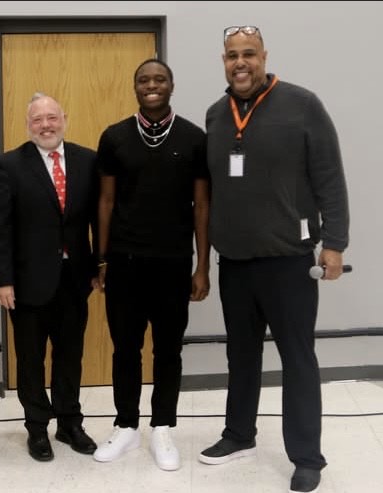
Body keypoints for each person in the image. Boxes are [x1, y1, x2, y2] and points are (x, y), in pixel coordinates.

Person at [199, 25, 350, 493]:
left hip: (288, 260)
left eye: (248, 54)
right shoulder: (215, 115)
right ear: (223, 61)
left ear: (264, 56)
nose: (240, 63)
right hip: (237, 263)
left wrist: (335, 243)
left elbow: (329, 176)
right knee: (240, 355)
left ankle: (307, 456)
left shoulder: (303, 105)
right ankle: (239, 434)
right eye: (231, 56)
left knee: (297, 358)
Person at [91, 59, 210, 472]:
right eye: (144, 79)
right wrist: (100, 259)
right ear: (135, 87)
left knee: (168, 350)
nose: (152, 85)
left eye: (159, 79)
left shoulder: (195, 138)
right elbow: (104, 203)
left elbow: (202, 206)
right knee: (125, 348)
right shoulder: (115, 137)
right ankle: (126, 426)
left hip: (174, 263)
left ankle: (162, 427)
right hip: (123, 263)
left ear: (172, 85)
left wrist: (202, 268)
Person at [0, 93, 99, 462]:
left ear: (64, 118)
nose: (46, 125)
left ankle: (69, 423)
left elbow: (100, 218)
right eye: (38, 120)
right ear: (28, 125)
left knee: (70, 356)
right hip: (26, 283)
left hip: (75, 279)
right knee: (31, 360)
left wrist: (100, 266)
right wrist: (1, 280)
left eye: (52, 117)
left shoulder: (87, 161)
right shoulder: (9, 166)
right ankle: (37, 428)